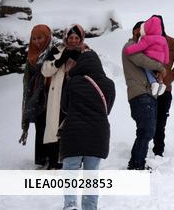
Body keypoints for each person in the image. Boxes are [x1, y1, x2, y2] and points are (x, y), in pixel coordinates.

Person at [60, 49, 116, 210]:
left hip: (74, 132)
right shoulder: (109, 84)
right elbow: (107, 109)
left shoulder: (73, 81)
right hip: (98, 133)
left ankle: (70, 205)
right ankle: (90, 207)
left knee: (70, 170)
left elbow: (65, 107)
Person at [41, 25, 88, 168]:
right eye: (71, 37)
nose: (73, 41)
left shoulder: (86, 52)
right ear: (66, 38)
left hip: (77, 95)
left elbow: (93, 71)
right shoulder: (57, 50)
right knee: (55, 127)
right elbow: (45, 71)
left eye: (76, 38)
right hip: (58, 95)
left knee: (72, 128)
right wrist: (60, 60)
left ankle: (72, 161)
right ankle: (54, 161)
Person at [123, 20, 166, 170]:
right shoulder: (130, 47)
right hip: (139, 93)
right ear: (136, 31)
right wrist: (161, 67)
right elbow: (142, 61)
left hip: (148, 94)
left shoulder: (143, 48)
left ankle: (137, 162)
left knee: (147, 130)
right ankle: (136, 164)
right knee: (146, 130)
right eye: (142, 31)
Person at [20, 24, 57, 169]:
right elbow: (28, 76)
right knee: (40, 126)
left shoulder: (55, 50)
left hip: (52, 94)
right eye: (34, 38)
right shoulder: (32, 52)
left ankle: (53, 157)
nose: (37, 41)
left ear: (47, 37)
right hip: (37, 96)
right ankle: (42, 159)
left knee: (51, 126)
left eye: (40, 37)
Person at [152, 15, 174, 157]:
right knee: (147, 122)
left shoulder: (173, 42)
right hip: (147, 89)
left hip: (165, 89)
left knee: (160, 122)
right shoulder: (146, 42)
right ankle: (140, 150)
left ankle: (158, 151)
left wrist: (170, 76)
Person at [123, 16, 170, 96]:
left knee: (146, 68)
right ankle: (161, 83)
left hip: (150, 57)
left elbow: (139, 47)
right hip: (160, 60)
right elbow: (166, 51)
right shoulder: (163, 39)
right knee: (157, 72)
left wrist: (128, 50)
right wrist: (165, 61)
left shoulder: (147, 39)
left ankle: (153, 82)